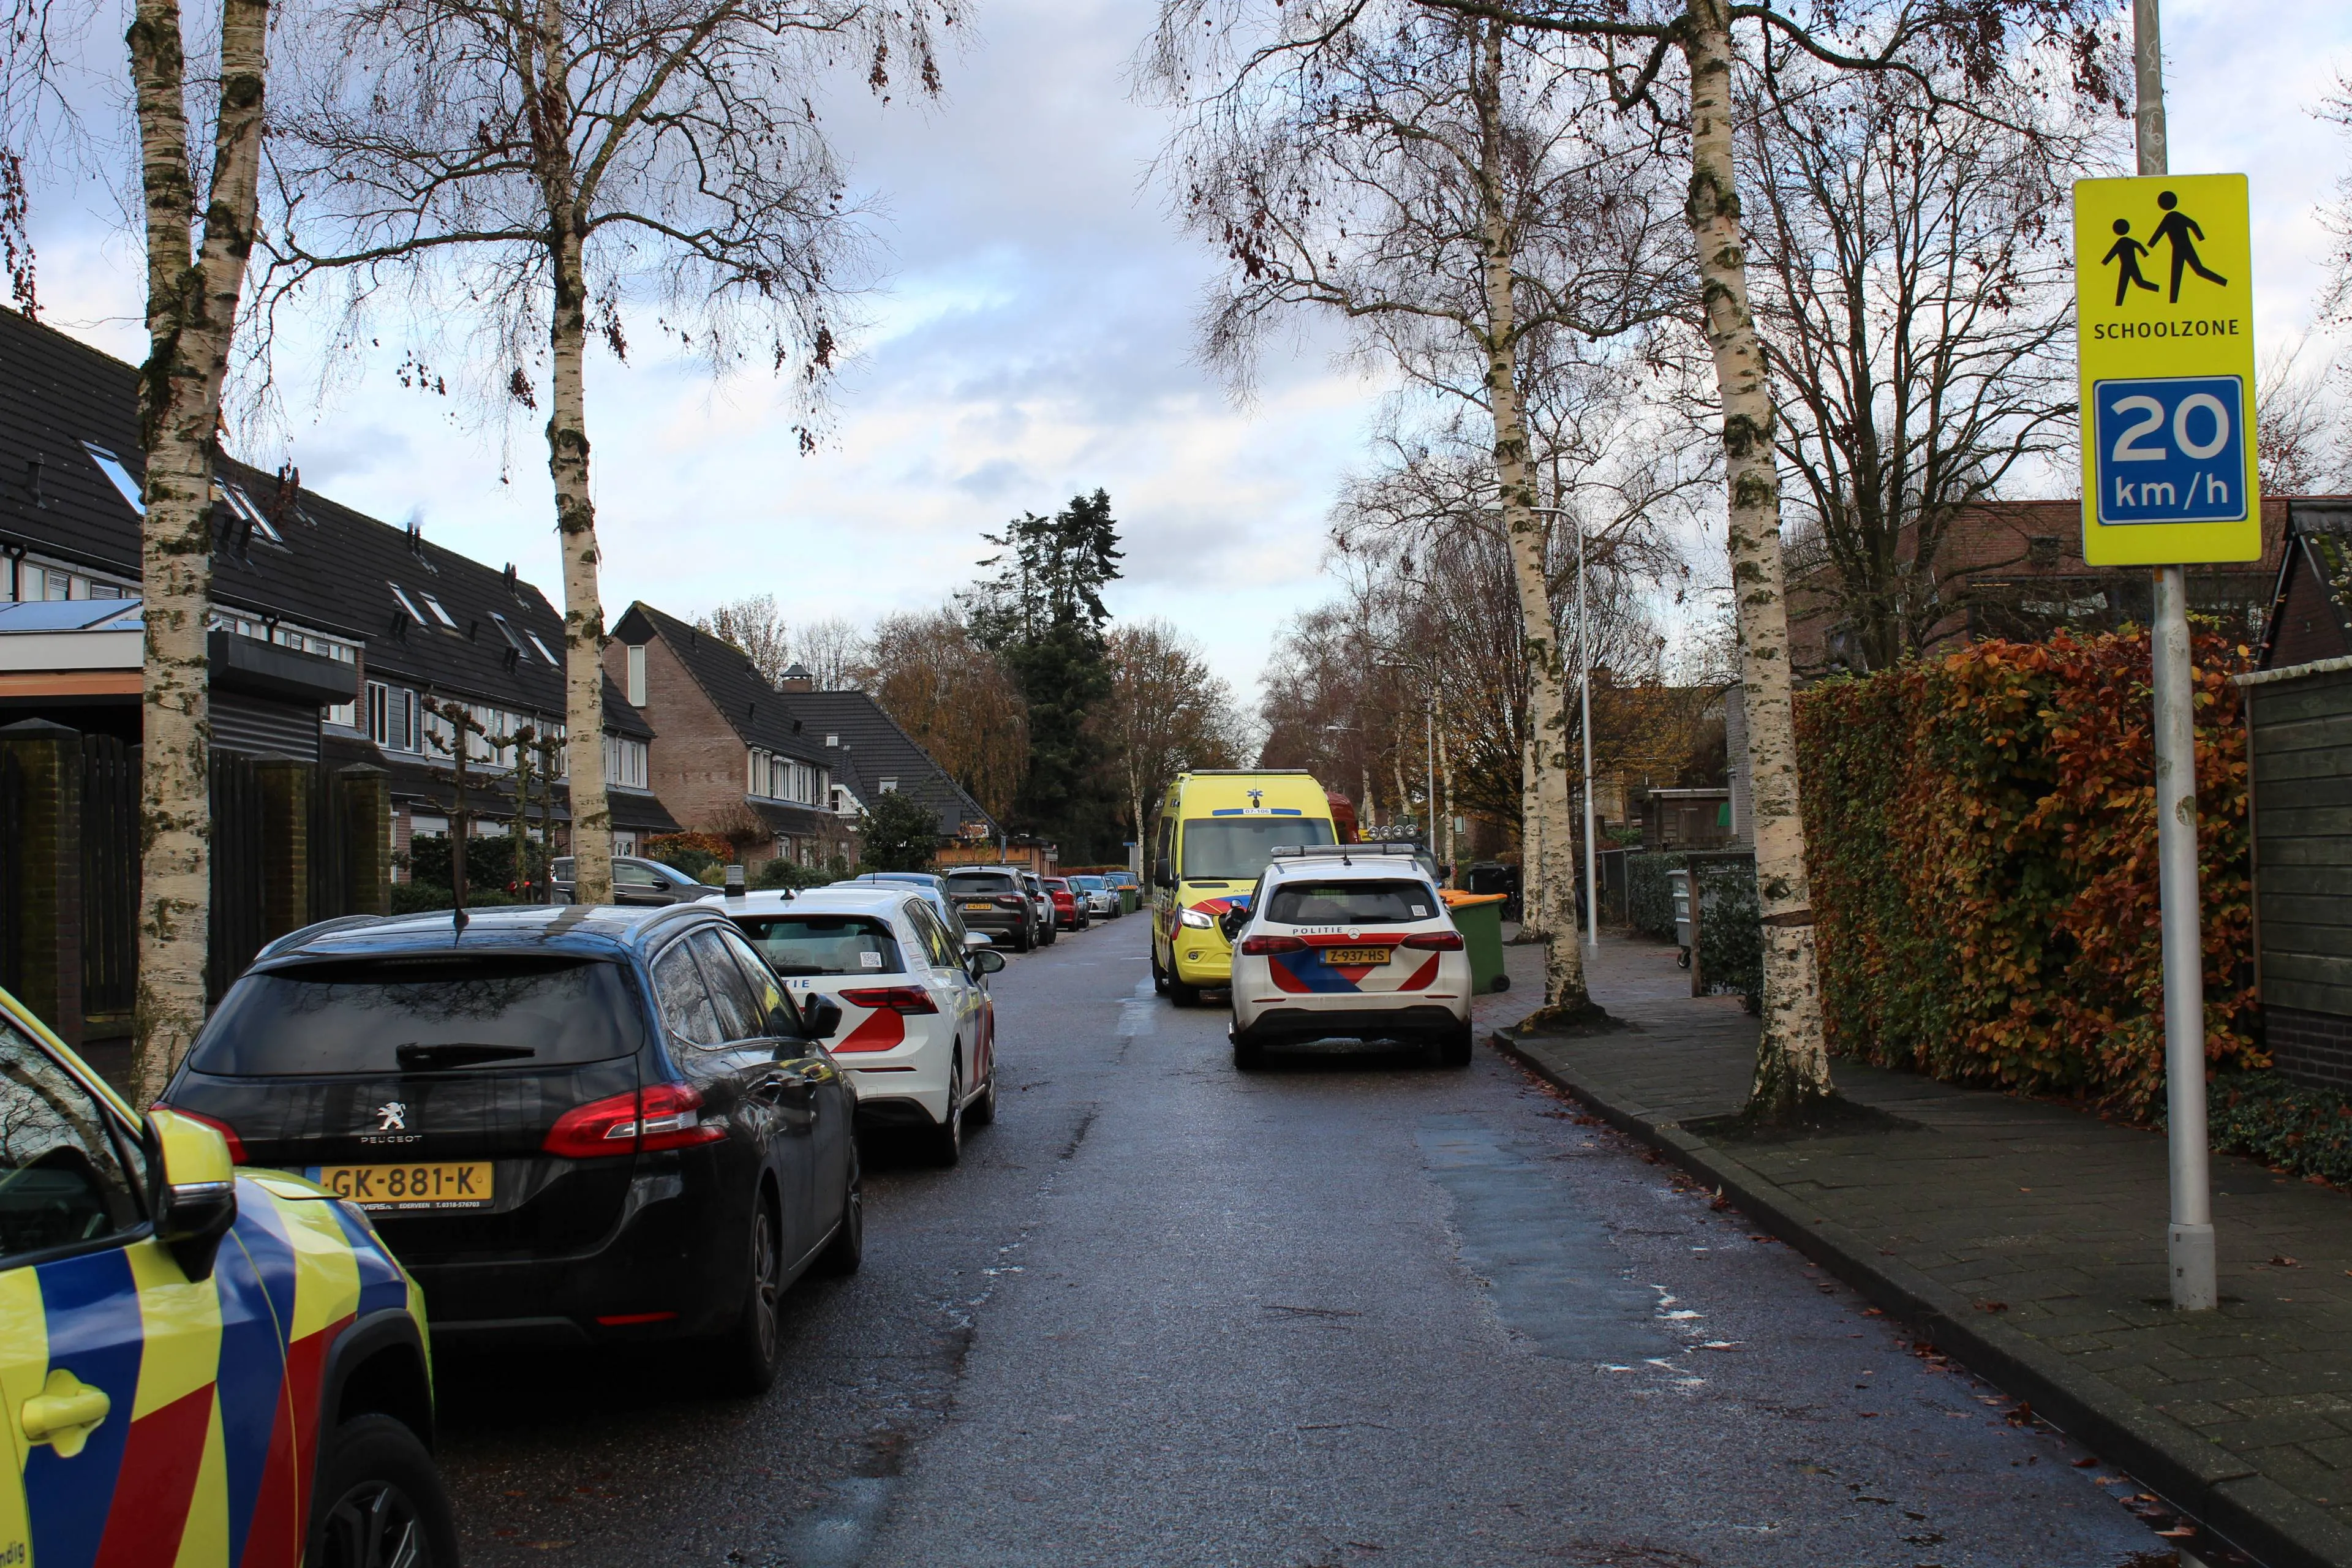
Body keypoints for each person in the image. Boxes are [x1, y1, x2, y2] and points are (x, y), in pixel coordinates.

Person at [2149, 190, 2228, 304]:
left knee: (2195, 271)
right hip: (2179, 248)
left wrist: (2201, 238)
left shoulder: (2172, 217)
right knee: (2179, 274)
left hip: (2185, 247)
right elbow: (2160, 232)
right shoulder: (2172, 217)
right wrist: (2151, 245)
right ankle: (2173, 302)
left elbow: (2160, 232)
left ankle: (2224, 282)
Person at [2101, 217, 2158, 307]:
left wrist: (2145, 254)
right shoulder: (2124, 241)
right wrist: (2105, 262)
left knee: (2136, 283)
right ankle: (2119, 305)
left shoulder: (2123, 241)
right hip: (2127, 266)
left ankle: (2158, 289)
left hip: (2130, 265)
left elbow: (2113, 253)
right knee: (2127, 285)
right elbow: (2113, 253)